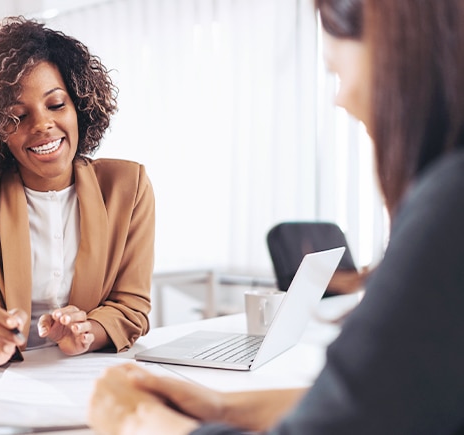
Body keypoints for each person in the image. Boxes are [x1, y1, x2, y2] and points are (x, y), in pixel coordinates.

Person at [88, 0, 464, 433]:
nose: (341, 98)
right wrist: (221, 408)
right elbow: (382, 405)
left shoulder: (451, 205)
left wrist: (134, 419)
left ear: (401, 49)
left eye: (336, 73)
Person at [0, 17, 155, 366]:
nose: (43, 125)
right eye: (17, 117)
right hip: (1, 381)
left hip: (89, 374)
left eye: (56, 104)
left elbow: (130, 306)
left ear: (79, 105)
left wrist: (88, 333)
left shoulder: (127, 186)